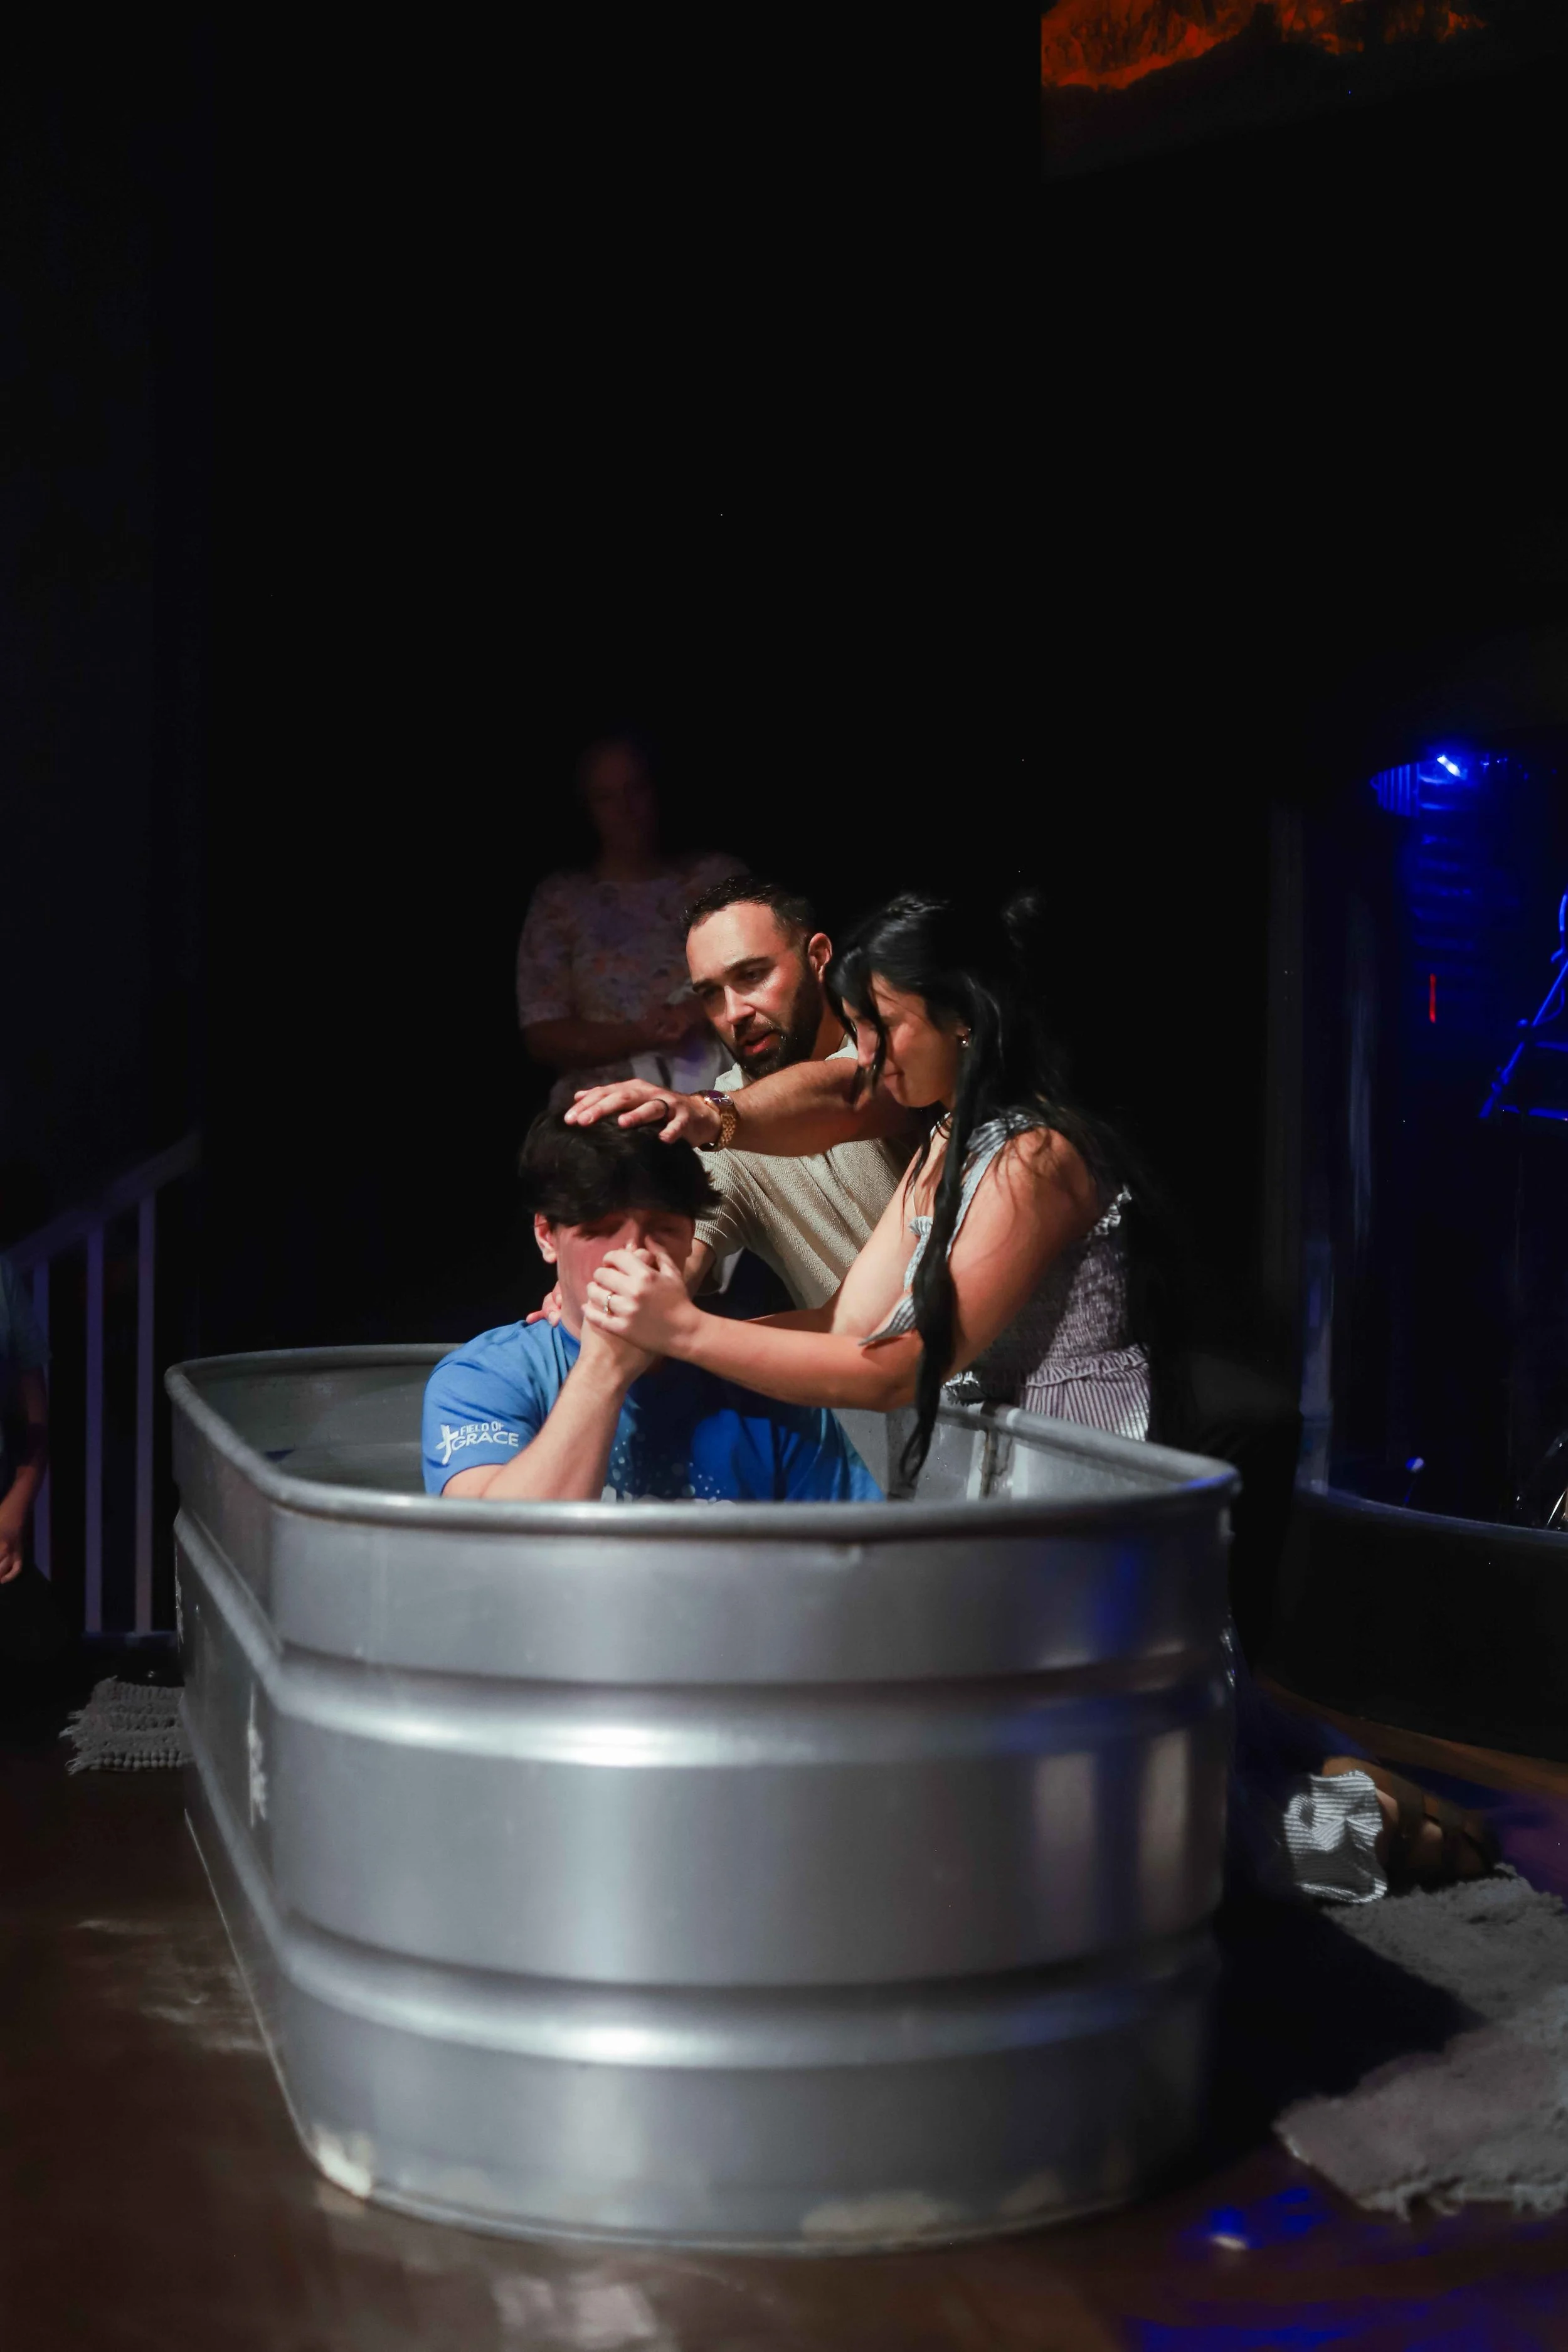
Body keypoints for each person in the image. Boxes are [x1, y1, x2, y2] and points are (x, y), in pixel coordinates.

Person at [576, 887, 1495, 1899]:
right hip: (991, 1482)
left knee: (1148, 1843)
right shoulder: (938, 1146)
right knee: (1043, 1809)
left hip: (1081, 1492)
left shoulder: (1040, 1153)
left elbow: (895, 1369)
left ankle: (1367, 1816)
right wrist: (670, 1336)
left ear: (963, 1018)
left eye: (884, 1025)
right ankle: (1326, 1790)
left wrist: (688, 1334)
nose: (867, 1054)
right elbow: (850, 1328)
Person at [421, 1111, 881, 1504]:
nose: (635, 1253)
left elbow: (859, 1569)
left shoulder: (767, 1387)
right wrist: (605, 1364)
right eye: (602, 1228)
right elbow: (493, 1553)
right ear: (547, 1235)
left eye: (663, 1229)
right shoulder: (484, 1378)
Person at [515, 732, 742, 1111]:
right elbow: (542, 1033)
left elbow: (769, 976)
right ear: (586, 807)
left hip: (719, 1096)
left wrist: (696, 1013)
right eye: (606, 798)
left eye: (636, 790)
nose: (626, 809)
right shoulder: (562, 901)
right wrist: (637, 1035)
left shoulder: (715, 879)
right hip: (605, 1115)